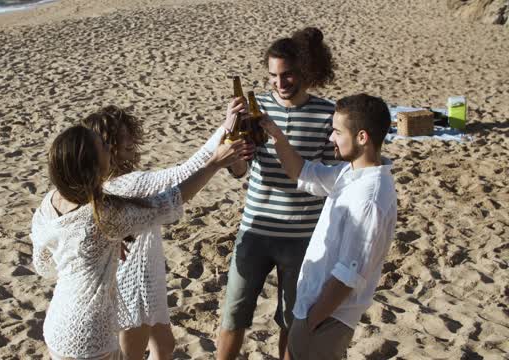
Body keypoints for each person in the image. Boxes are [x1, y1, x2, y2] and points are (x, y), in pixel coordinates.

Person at [30, 125, 251, 360]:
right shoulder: (103, 214)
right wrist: (214, 164)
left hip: (56, 326)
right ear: (91, 165)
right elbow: (170, 201)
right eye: (103, 147)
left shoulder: (49, 202)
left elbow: (44, 266)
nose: (109, 149)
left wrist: (97, 250)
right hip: (89, 336)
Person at [217, 27, 338, 359]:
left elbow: (329, 179)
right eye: (272, 76)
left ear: (303, 71)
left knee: (291, 320)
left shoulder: (327, 114)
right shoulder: (257, 110)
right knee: (233, 316)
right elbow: (239, 171)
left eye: (286, 75)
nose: (279, 83)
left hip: (303, 237)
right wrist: (232, 140)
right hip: (255, 229)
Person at [82, 106, 231, 360]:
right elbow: (183, 173)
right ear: (107, 146)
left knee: (164, 347)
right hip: (132, 285)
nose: (129, 140)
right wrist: (224, 130)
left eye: (129, 133)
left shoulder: (105, 182)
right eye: (121, 136)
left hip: (148, 279)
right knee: (133, 354)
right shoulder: (129, 183)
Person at [260, 93, 397, 360]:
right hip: (316, 310)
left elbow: (348, 275)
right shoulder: (352, 173)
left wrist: (311, 322)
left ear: (361, 137)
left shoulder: (368, 198)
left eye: (336, 132)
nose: (330, 138)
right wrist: (275, 134)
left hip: (328, 319)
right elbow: (303, 172)